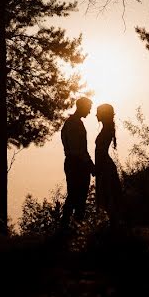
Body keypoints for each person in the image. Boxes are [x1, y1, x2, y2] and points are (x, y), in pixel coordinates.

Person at [60, 97, 94, 230]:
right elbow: (78, 150)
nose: (90, 112)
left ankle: (71, 227)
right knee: (77, 196)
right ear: (82, 107)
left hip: (73, 163)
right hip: (77, 164)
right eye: (89, 108)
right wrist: (90, 165)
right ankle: (71, 227)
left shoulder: (71, 122)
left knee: (76, 196)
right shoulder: (74, 124)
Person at [94, 103, 123, 226]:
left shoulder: (106, 130)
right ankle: (112, 222)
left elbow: (100, 151)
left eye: (98, 113)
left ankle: (113, 223)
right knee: (108, 193)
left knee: (107, 193)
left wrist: (97, 167)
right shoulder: (107, 128)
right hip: (104, 163)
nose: (96, 115)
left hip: (104, 164)